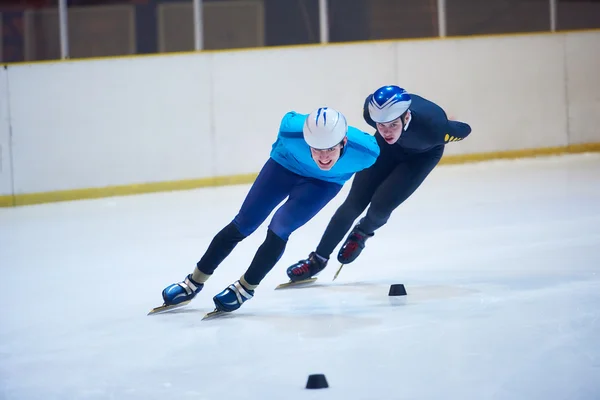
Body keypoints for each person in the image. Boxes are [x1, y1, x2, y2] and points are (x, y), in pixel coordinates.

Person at [158, 107, 380, 314]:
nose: (323, 157)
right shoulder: (291, 132)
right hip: (284, 166)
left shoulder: (366, 151)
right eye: (316, 149)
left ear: (344, 141)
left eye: (330, 149)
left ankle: (246, 286)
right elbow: (289, 118)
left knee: (280, 226)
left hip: (323, 183)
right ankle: (193, 282)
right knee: (244, 223)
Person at [286, 85, 472, 282]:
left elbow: (464, 129)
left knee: (381, 206)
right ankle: (317, 260)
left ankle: (362, 232)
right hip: (387, 149)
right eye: (381, 125)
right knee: (353, 203)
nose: (387, 131)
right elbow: (383, 124)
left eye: (393, 125)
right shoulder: (372, 113)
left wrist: (447, 125)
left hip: (422, 157)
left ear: (406, 117)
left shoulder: (435, 128)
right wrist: (386, 129)